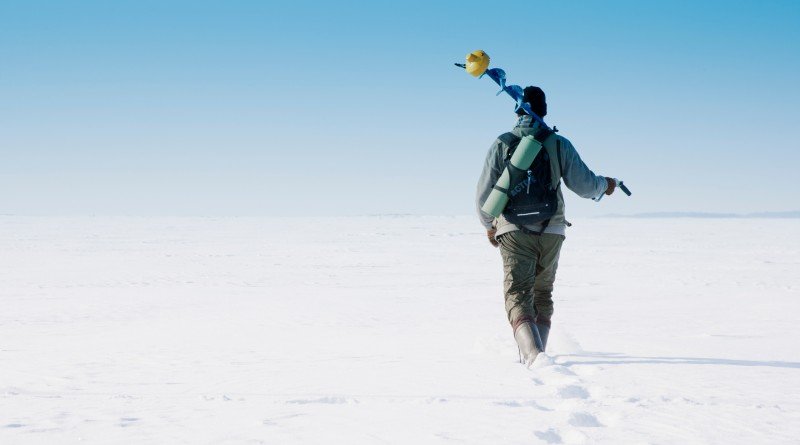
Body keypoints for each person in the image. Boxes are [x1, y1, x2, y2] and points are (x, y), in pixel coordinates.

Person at [475, 86, 616, 365]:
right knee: (542, 293)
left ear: (518, 111)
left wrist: (490, 225)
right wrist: (606, 185)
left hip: (512, 230)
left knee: (518, 294)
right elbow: (585, 185)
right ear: (545, 110)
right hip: (552, 229)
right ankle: (539, 357)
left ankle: (534, 357)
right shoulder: (558, 143)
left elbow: (484, 197)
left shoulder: (502, 143)